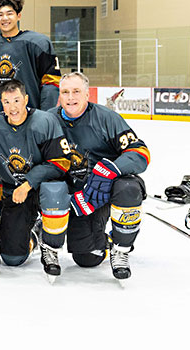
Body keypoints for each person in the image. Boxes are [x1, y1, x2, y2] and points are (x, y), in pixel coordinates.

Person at [54, 72, 150, 280]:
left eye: (76, 91)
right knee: (87, 258)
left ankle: (121, 248)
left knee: (128, 188)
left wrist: (110, 170)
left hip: (104, 191)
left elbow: (140, 153)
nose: (70, 97)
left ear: (87, 94)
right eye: (65, 92)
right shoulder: (48, 120)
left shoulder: (106, 118)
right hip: (77, 196)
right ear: (59, 95)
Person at [0, 78, 71, 281]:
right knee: (12, 257)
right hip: (15, 193)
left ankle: (51, 247)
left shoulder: (45, 122)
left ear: (26, 99)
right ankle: (35, 233)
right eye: (7, 102)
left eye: (17, 101)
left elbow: (61, 163)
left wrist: (28, 183)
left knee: (54, 191)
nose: (13, 108)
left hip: (44, 189)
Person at [0, 0, 61, 113]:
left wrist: (45, 115)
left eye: (9, 13)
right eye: (0, 15)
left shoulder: (39, 43)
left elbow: (51, 84)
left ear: (19, 16)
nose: (5, 18)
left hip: (31, 116)